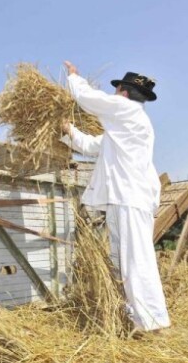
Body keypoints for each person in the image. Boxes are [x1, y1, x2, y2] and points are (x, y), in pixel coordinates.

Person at [61, 61, 171, 332]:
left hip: (129, 198)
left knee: (136, 262)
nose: (113, 95)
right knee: (124, 262)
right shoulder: (123, 128)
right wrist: (69, 131)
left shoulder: (127, 111)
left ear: (123, 92)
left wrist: (74, 78)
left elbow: (88, 99)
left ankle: (154, 323)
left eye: (116, 89)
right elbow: (90, 145)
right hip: (124, 200)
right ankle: (138, 319)